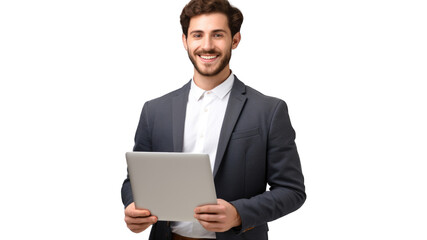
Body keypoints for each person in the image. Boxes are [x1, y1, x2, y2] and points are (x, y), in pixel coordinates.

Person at [121, 0, 306, 239]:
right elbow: (134, 180)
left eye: (218, 35)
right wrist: (132, 206)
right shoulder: (154, 111)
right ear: (185, 41)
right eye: (197, 35)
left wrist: (239, 214)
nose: (207, 46)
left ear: (235, 40)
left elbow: (292, 191)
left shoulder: (269, 111)